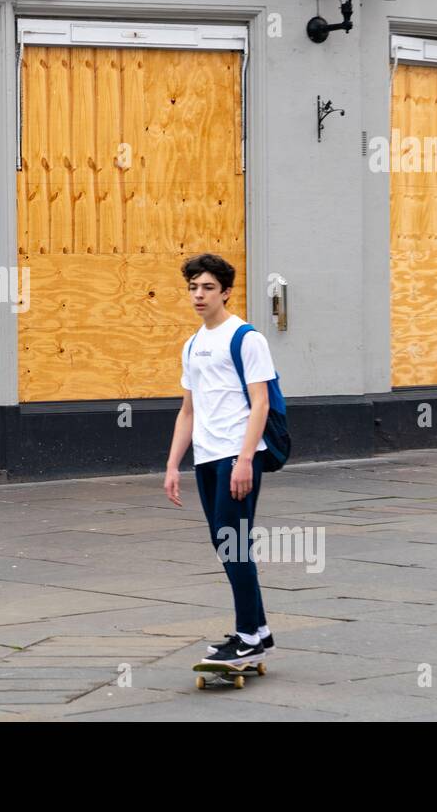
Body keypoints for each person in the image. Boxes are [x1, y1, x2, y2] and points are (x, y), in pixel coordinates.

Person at [164, 253, 276, 666]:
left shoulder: (246, 338)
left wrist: (246, 459)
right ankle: (259, 631)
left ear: (226, 292)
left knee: (233, 545)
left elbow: (260, 403)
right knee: (226, 544)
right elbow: (187, 411)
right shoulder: (192, 345)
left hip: (238, 455)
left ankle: (246, 635)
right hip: (207, 458)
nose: (199, 294)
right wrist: (174, 465)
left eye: (208, 287)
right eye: (193, 287)